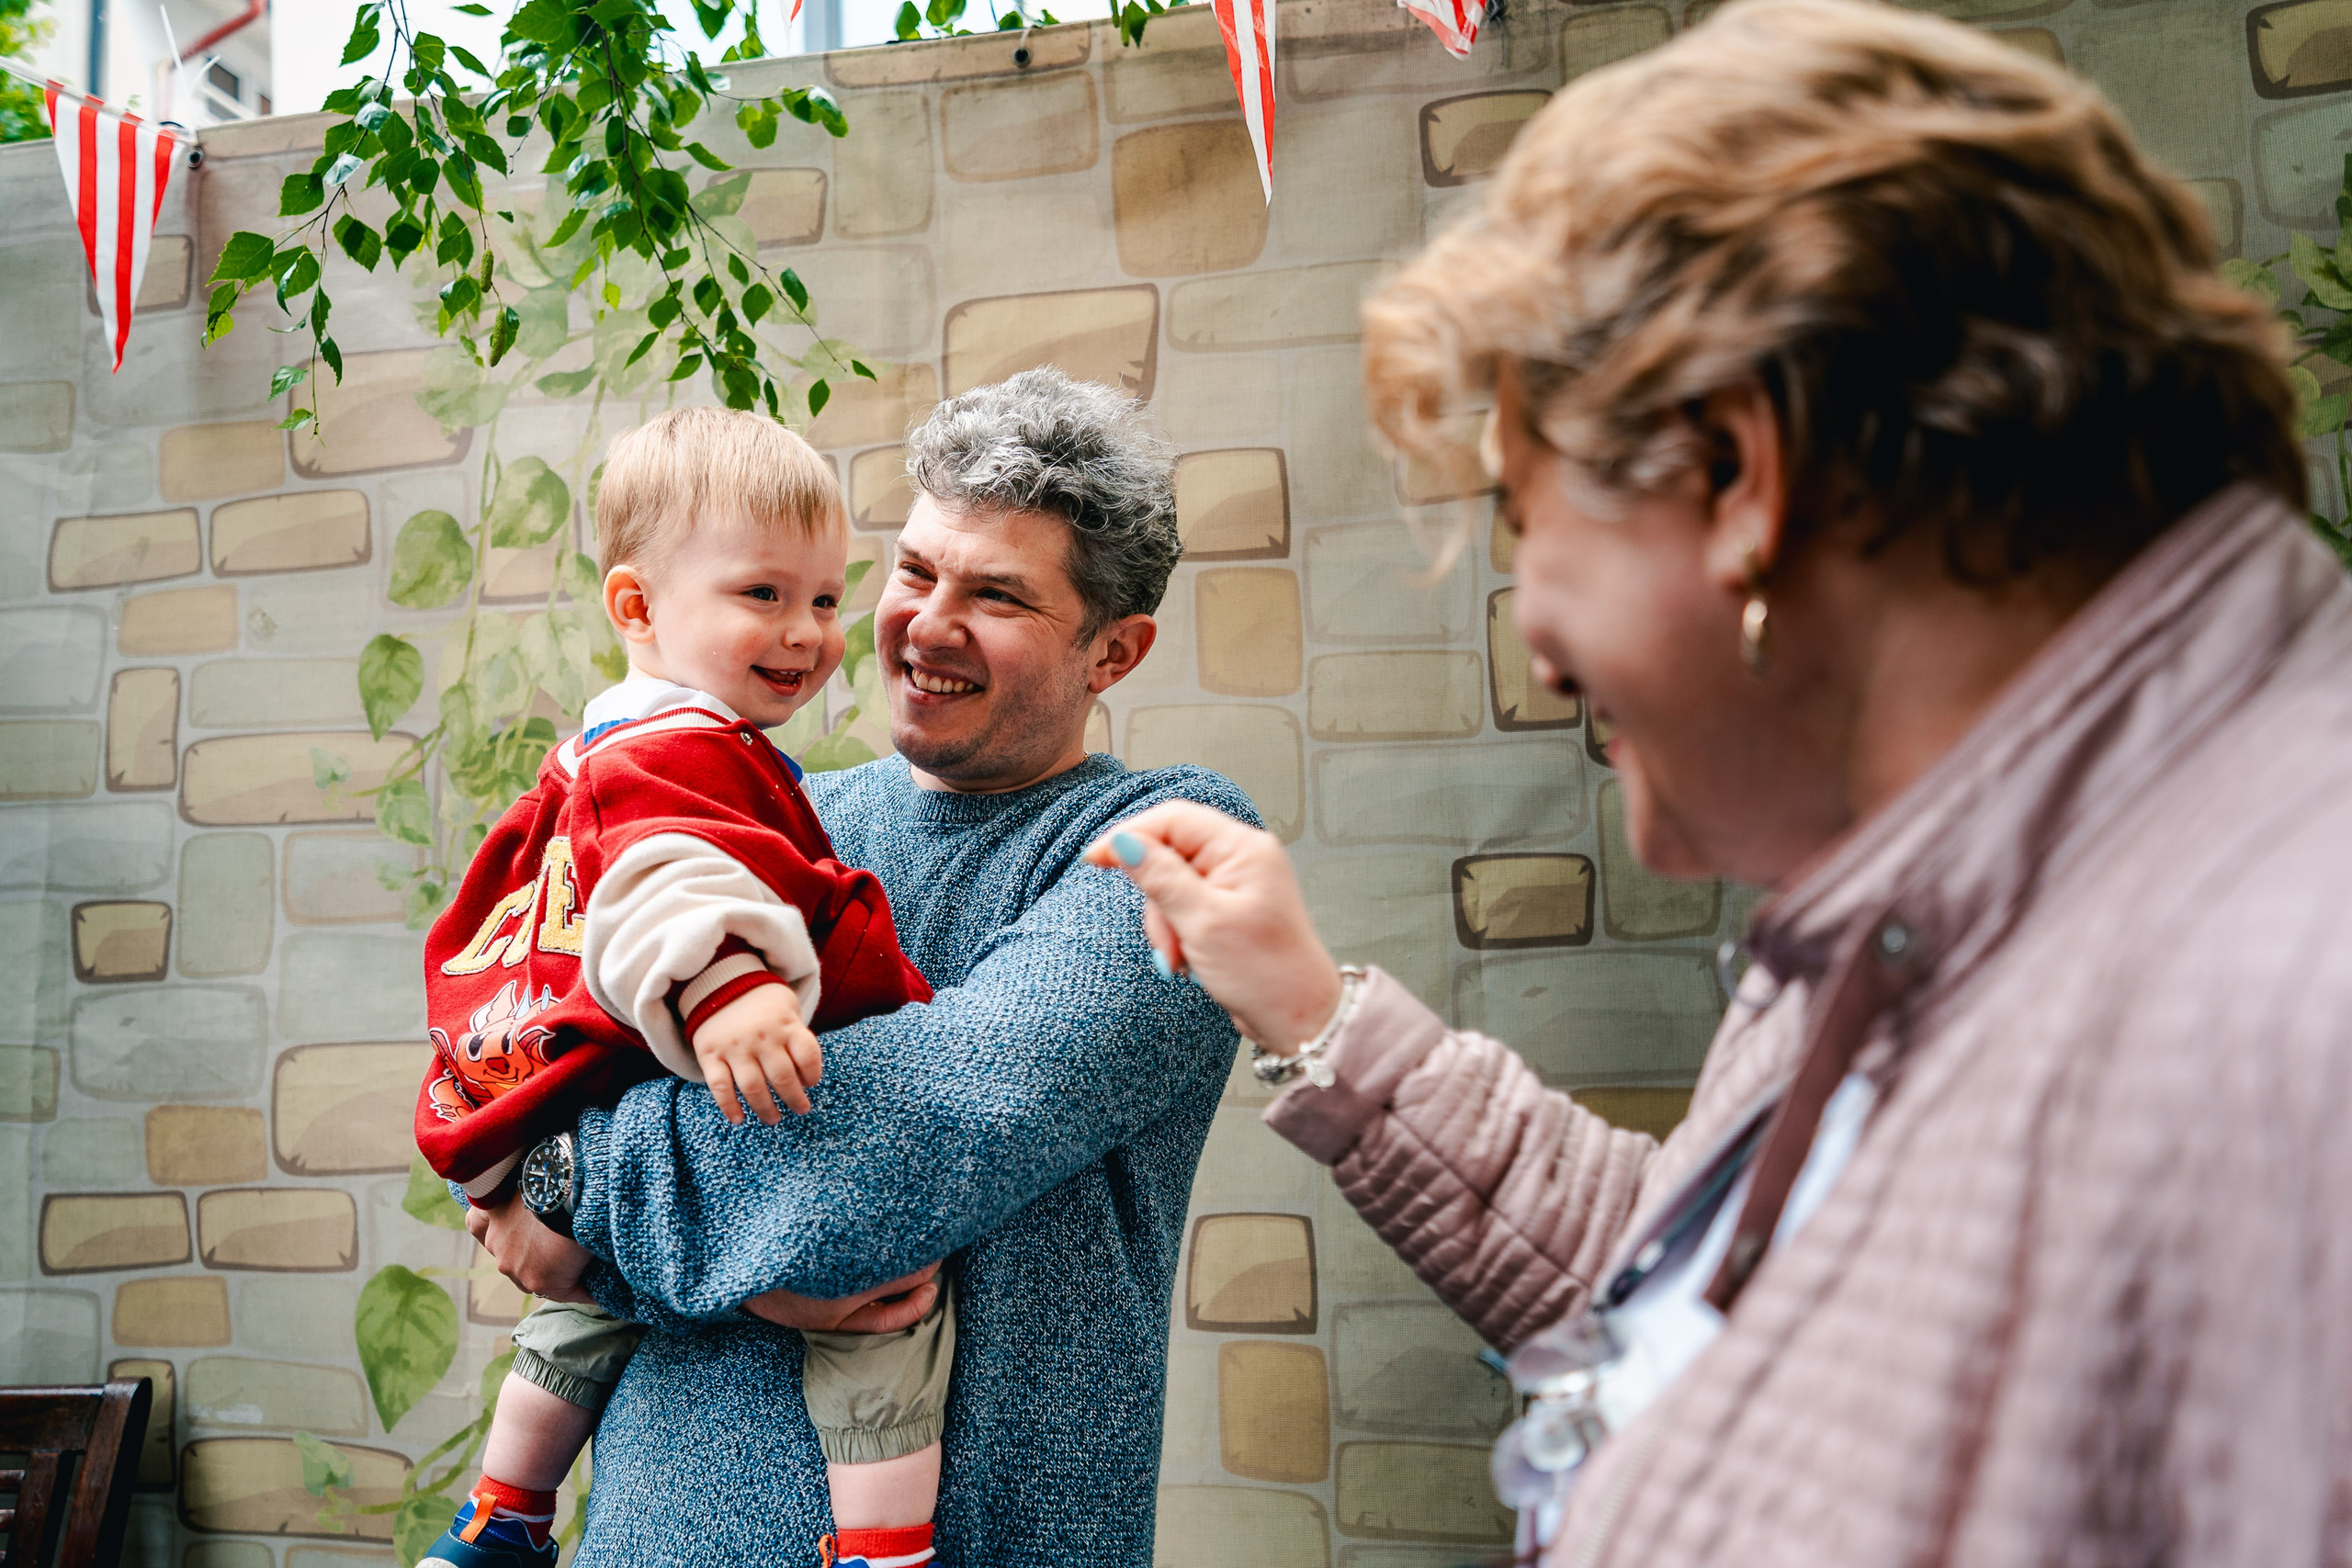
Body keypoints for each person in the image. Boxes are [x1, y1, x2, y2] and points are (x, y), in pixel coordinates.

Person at [1090, 2, 2352, 1562]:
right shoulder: (1947, 904)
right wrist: (1319, 1017)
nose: (1537, 645)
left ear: (1740, 475)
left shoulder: (2293, 1019)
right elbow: (1755, 1316)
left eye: (1524, 515)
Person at [464, 367, 1260, 1565]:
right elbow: (524, 1045)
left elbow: (892, 1152)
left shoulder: (1167, 853)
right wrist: (590, 1179)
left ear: (1116, 650)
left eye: (998, 593)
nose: (927, 623)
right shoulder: (754, 815)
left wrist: (568, 1193)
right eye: (916, 570)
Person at [412, 409, 946, 1568]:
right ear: (638, 608)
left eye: (822, 598)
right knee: (889, 1311)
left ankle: (503, 1513)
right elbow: (667, 881)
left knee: (574, 1317)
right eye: (762, 594)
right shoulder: (680, 751)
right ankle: (884, 1548)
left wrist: (560, 1200)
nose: (806, 632)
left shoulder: (616, 744)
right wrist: (733, 994)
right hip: (649, 1049)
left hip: (551, 1085)